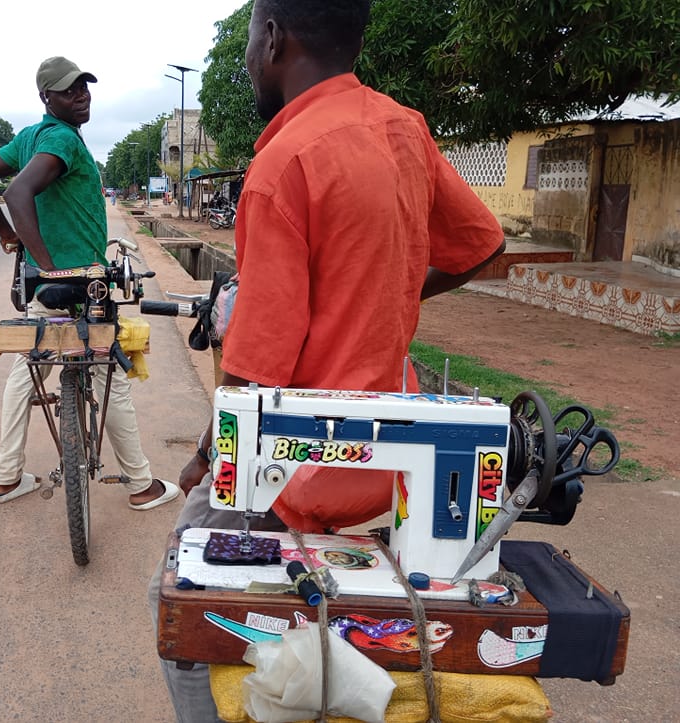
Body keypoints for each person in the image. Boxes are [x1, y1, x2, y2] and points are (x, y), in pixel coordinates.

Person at [147, 1, 506, 719]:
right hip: (400, 471)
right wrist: (391, 292)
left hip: (304, 474)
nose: (250, 57)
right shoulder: (406, 130)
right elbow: (483, 246)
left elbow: (252, 376)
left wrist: (198, 460)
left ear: (275, 39)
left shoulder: (285, 161)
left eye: (251, 39)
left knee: (179, 605)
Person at [0, 56, 180, 511]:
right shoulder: (60, 138)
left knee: (30, 367)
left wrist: (11, 240)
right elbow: (16, 192)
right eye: (69, 90)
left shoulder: (29, 137)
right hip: (84, 283)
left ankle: (6, 477)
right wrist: (51, 265)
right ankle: (141, 485)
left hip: (46, 289)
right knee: (110, 378)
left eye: (84, 86)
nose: (81, 95)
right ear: (47, 98)